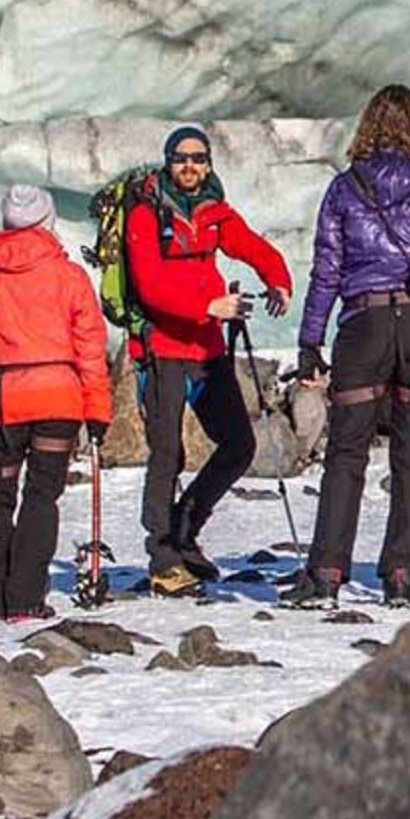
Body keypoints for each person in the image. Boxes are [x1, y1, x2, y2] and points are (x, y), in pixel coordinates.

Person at [286, 86, 410, 608]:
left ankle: (326, 570)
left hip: (364, 323)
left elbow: (327, 269)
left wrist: (310, 341)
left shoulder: (345, 189)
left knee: (346, 452)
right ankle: (399, 576)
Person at [117, 124, 293, 594]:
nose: (189, 166)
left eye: (197, 158)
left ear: (209, 163)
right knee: (167, 453)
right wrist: (208, 306)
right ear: (168, 162)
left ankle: (185, 531)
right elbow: (150, 285)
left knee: (239, 445)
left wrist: (278, 279)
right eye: (180, 158)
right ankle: (162, 556)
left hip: (206, 350)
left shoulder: (214, 210)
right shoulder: (145, 214)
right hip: (163, 350)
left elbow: (251, 246)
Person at [0, 183, 117, 625]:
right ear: (48, 222)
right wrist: (97, 411)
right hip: (59, 400)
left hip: (1, 404)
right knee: (43, 497)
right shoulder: (70, 277)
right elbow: (91, 351)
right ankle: (26, 600)